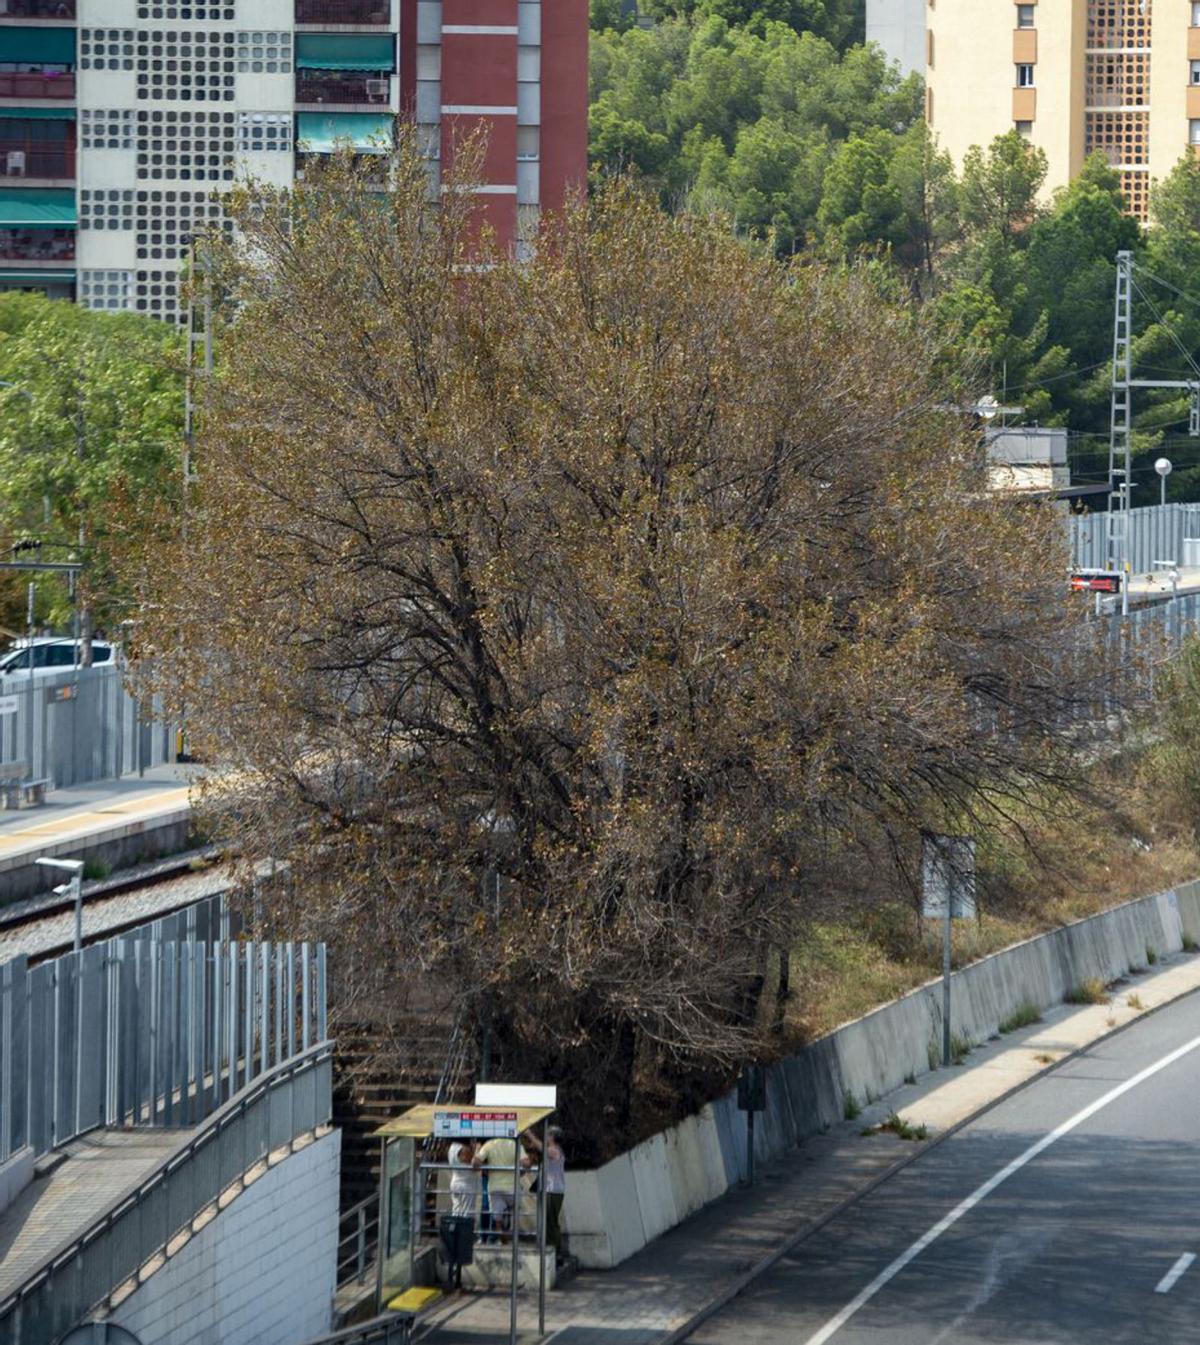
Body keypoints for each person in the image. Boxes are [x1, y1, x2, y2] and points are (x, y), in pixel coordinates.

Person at [473, 1133, 528, 1239]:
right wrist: (521, 1172)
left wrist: (477, 1151)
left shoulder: (488, 1143)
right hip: (512, 1187)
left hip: (494, 1185)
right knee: (513, 1212)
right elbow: (526, 1163)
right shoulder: (515, 1144)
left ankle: (491, 1237)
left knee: (491, 1211)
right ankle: (507, 1236)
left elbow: (475, 1162)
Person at [526, 1127, 567, 1257]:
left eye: (548, 1135)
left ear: (553, 1137)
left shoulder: (554, 1151)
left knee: (551, 1223)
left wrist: (530, 1135)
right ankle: (553, 1250)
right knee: (549, 1222)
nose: (546, 1137)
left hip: (553, 1191)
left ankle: (555, 1252)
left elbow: (542, 1148)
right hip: (551, 1190)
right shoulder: (554, 1151)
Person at [447, 1138, 479, 1222]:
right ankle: (464, 1232)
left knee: (456, 1209)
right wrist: (475, 1149)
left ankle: (455, 1231)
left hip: (455, 1181)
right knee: (467, 1211)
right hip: (466, 1183)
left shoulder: (452, 1147)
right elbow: (472, 1162)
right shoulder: (463, 1149)